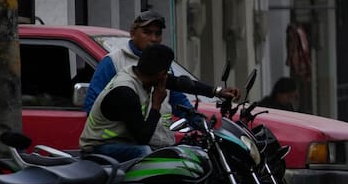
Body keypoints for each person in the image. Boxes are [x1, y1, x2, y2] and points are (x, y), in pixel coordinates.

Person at [80, 44, 233, 160]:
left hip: (122, 141)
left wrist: (217, 92)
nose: (168, 75)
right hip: (99, 147)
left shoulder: (142, 74)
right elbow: (143, 137)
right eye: (167, 70)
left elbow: (179, 83)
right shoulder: (126, 92)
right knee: (146, 153)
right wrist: (156, 104)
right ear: (161, 73)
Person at [84, 9, 238, 120]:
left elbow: (178, 99)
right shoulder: (113, 61)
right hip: (132, 147)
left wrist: (200, 120)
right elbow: (92, 106)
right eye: (147, 32)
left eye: (157, 34)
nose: (153, 38)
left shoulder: (162, 64)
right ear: (132, 33)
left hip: (160, 143)